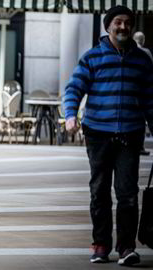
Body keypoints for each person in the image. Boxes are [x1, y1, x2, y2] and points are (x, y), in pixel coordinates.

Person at [64, 5, 153, 266]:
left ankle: (126, 248)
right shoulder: (92, 57)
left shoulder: (142, 60)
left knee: (127, 193)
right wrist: (70, 115)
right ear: (108, 26)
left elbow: (150, 99)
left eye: (127, 22)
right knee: (99, 192)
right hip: (98, 134)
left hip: (129, 133)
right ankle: (100, 245)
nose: (123, 27)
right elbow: (73, 88)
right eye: (118, 22)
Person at [132, 31, 152, 156]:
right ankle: (139, 146)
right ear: (143, 40)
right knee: (141, 119)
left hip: (131, 89)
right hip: (143, 90)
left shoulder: (129, 50)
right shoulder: (146, 53)